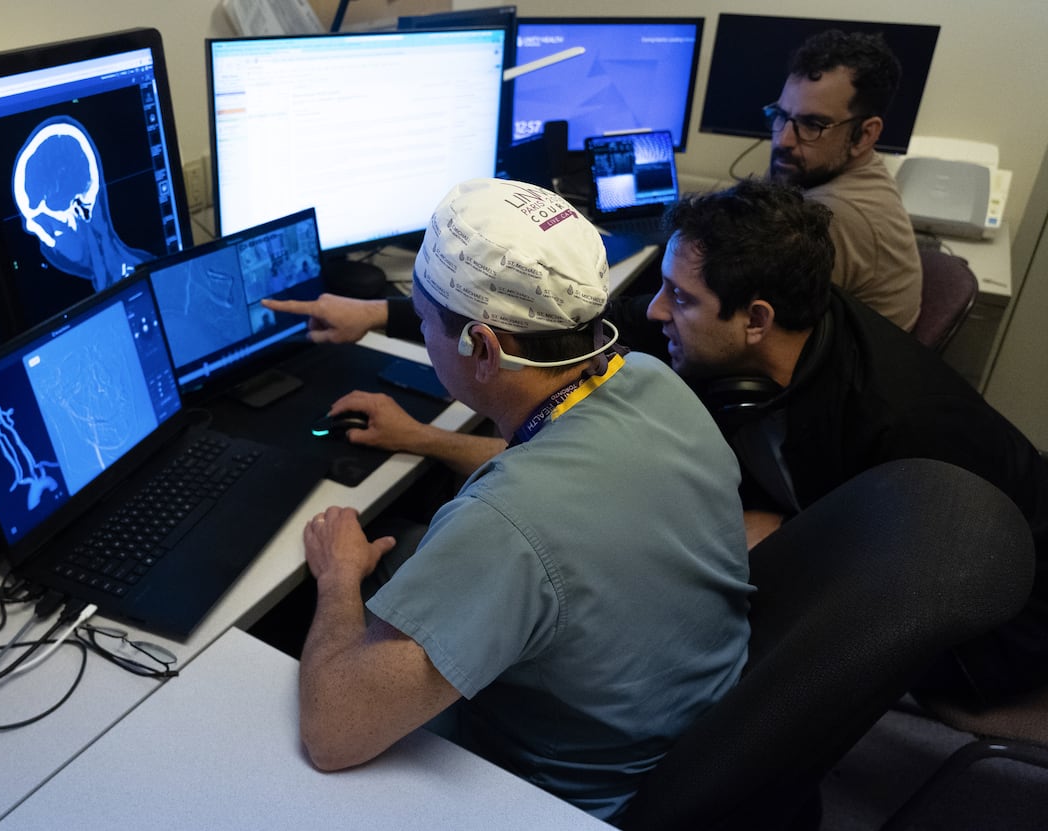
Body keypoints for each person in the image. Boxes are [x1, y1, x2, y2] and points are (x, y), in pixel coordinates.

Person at [296, 178, 752, 821]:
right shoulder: (653, 382)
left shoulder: (504, 526)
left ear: (481, 348)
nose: (423, 338)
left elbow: (332, 732)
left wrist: (338, 577)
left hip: (556, 798)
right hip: (679, 734)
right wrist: (421, 438)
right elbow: (562, 475)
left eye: (424, 324)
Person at [645, 177, 1048, 706]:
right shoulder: (801, 323)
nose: (657, 310)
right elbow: (633, 321)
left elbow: (909, 586)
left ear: (756, 320)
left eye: (679, 296)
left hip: (999, 630)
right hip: (899, 554)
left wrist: (790, 538)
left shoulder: (899, 425)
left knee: (680, 619)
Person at [766, 29, 922, 331]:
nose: (783, 140)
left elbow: (758, 326)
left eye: (813, 124)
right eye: (781, 115)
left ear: (865, 135)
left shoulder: (832, 214)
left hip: (836, 373)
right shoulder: (835, 169)